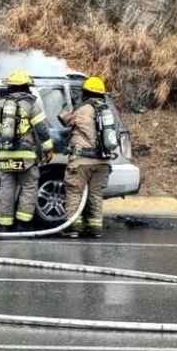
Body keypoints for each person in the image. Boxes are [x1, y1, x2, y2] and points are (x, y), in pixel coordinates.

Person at [0, 69, 54, 232]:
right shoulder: (31, 104)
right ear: (25, 87)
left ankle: (5, 223)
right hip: (26, 156)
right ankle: (23, 223)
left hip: (4, 155)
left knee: (7, 188)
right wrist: (48, 148)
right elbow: (42, 129)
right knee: (29, 187)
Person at [58, 76, 114, 238]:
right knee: (95, 194)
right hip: (103, 161)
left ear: (85, 92)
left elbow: (64, 120)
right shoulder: (106, 110)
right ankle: (95, 228)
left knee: (75, 192)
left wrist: (66, 105)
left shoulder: (82, 109)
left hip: (82, 161)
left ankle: (74, 228)